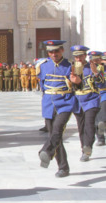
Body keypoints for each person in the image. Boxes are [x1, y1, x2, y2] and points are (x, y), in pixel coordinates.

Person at [38, 40, 79, 178]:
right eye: (51, 52)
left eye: (56, 51)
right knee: (55, 136)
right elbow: (42, 85)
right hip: (49, 104)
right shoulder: (43, 66)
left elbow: (80, 85)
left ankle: (46, 151)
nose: (54, 54)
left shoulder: (71, 66)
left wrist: (77, 82)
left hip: (65, 103)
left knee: (57, 130)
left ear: (62, 51)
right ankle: (63, 167)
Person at [70, 47, 101, 162]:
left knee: (89, 124)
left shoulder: (92, 67)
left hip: (91, 100)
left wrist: (96, 73)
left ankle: (87, 147)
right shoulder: (72, 68)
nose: (78, 58)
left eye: (81, 56)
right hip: (78, 100)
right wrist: (74, 82)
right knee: (81, 126)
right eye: (76, 56)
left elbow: (102, 83)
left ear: (85, 56)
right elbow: (70, 87)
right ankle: (84, 149)